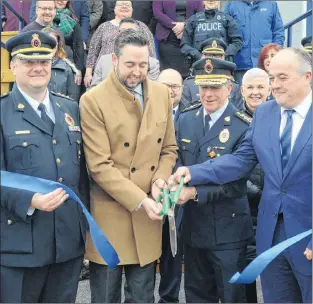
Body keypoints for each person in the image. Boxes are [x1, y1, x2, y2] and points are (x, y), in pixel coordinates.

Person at [173, 48, 312, 303]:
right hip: (271, 236)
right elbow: (239, 161)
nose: (275, 85)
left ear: (307, 77)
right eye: (272, 78)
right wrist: (192, 172)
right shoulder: (264, 114)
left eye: (283, 78)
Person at [79, 29, 177, 303]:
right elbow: (99, 167)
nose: (137, 71)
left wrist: (159, 180)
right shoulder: (92, 100)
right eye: (130, 64)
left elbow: (169, 150)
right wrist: (142, 201)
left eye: (143, 65)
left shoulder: (161, 94)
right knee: (106, 298)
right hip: (111, 218)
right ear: (114, 59)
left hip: (149, 217)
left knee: (143, 297)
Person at [0, 30, 89, 303]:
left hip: (66, 244)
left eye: (44, 61)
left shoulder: (69, 109)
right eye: (28, 62)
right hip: (20, 246)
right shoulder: (2, 113)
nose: (38, 68)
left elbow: (81, 173)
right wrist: (30, 200)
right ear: (13, 66)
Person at [170, 57, 253, 303]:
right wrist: (173, 179)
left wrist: (194, 188)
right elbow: (174, 156)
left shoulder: (243, 125)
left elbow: (237, 176)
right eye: (203, 86)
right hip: (194, 227)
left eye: (214, 87)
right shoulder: (186, 118)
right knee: (196, 296)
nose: (207, 94)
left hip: (228, 231)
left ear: (229, 87)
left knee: (232, 297)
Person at [241, 67, 271, 303]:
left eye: (260, 87)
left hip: (274, 208)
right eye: (250, 87)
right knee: (246, 272)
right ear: (241, 90)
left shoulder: (282, 117)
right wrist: (257, 192)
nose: (255, 92)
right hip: (244, 208)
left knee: (278, 272)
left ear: (269, 89)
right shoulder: (231, 122)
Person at [157, 69, 184, 303]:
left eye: (175, 86)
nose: (171, 90)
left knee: (173, 252)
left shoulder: (191, 114)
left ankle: (169, 298)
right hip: (152, 190)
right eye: (165, 85)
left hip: (180, 194)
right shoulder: (147, 111)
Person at [84, 0, 156, 88]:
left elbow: (151, 53)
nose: (124, 7)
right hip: (105, 72)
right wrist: (88, 74)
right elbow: (93, 51)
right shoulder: (104, 27)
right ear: (114, 9)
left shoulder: (142, 27)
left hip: (134, 74)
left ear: (132, 9)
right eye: (121, 4)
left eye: (127, 5)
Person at [22, 0, 84, 86]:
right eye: (44, 8)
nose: (47, 12)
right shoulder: (27, 32)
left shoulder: (59, 29)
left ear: (55, 10)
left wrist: (77, 69)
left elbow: (77, 46)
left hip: (63, 76)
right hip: (37, 77)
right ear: (37, 10)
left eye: (50, 9)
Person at [225, 0, 285, 85]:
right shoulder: (232, 5)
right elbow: (225, 33)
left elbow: (278, 32)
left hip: (266, 65)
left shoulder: (271, 4)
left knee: (267, 96)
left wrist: (274, 55)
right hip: (240, 65)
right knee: (242, 96)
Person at [182, 37, 243, 110]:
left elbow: (237, 113)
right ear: (202, 56)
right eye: (209, 55)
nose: (213, 58)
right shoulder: (189, 84)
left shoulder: (234, 86)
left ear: (223, 57)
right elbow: (185, 114)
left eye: (218, 55)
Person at [153, 0, 204, 79]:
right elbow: (157, 13)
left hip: (189, 40)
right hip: (167, 40)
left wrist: (184, 25)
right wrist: (175, 26)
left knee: (188, 74)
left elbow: (200, 13)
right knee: (168, 74)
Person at [180, 0, 242, 65]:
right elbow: (184, 45)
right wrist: (199, 56)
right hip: (199, 66)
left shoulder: (227, 19)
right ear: (203, 1)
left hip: (223, 66)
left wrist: (224, 55)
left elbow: (237, 42)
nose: (211, 0)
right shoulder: (193, 20)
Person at [42, 27, 80, 101]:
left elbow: (72, 101)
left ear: (58, 45)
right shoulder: (30, 67)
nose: (50, 47)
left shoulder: (67, 70)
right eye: (46, 43)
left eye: (53, 43)